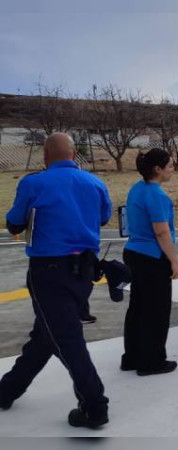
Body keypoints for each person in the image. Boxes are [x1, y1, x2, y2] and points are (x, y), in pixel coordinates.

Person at [0, 133, 112, 429]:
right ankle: (7, 390)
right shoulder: (96, 183)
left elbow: (13, 222)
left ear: (45, 155)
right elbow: (104, 218)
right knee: (46, 334)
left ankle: (94, 405)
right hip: (84, 274)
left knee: (65, 338)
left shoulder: (33, 183)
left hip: (48, 273)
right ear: (74, 155)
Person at [121, 148, 178, 376]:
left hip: (134, 253)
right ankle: (152, 361)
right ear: (158, 169)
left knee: (138, 308)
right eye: (170, 165)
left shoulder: (137, 189)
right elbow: (161, 232)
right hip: (153, 258)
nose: (173, 169)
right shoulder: (157, 195)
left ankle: (132, 357)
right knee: (156, 311)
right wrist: (173, 261)